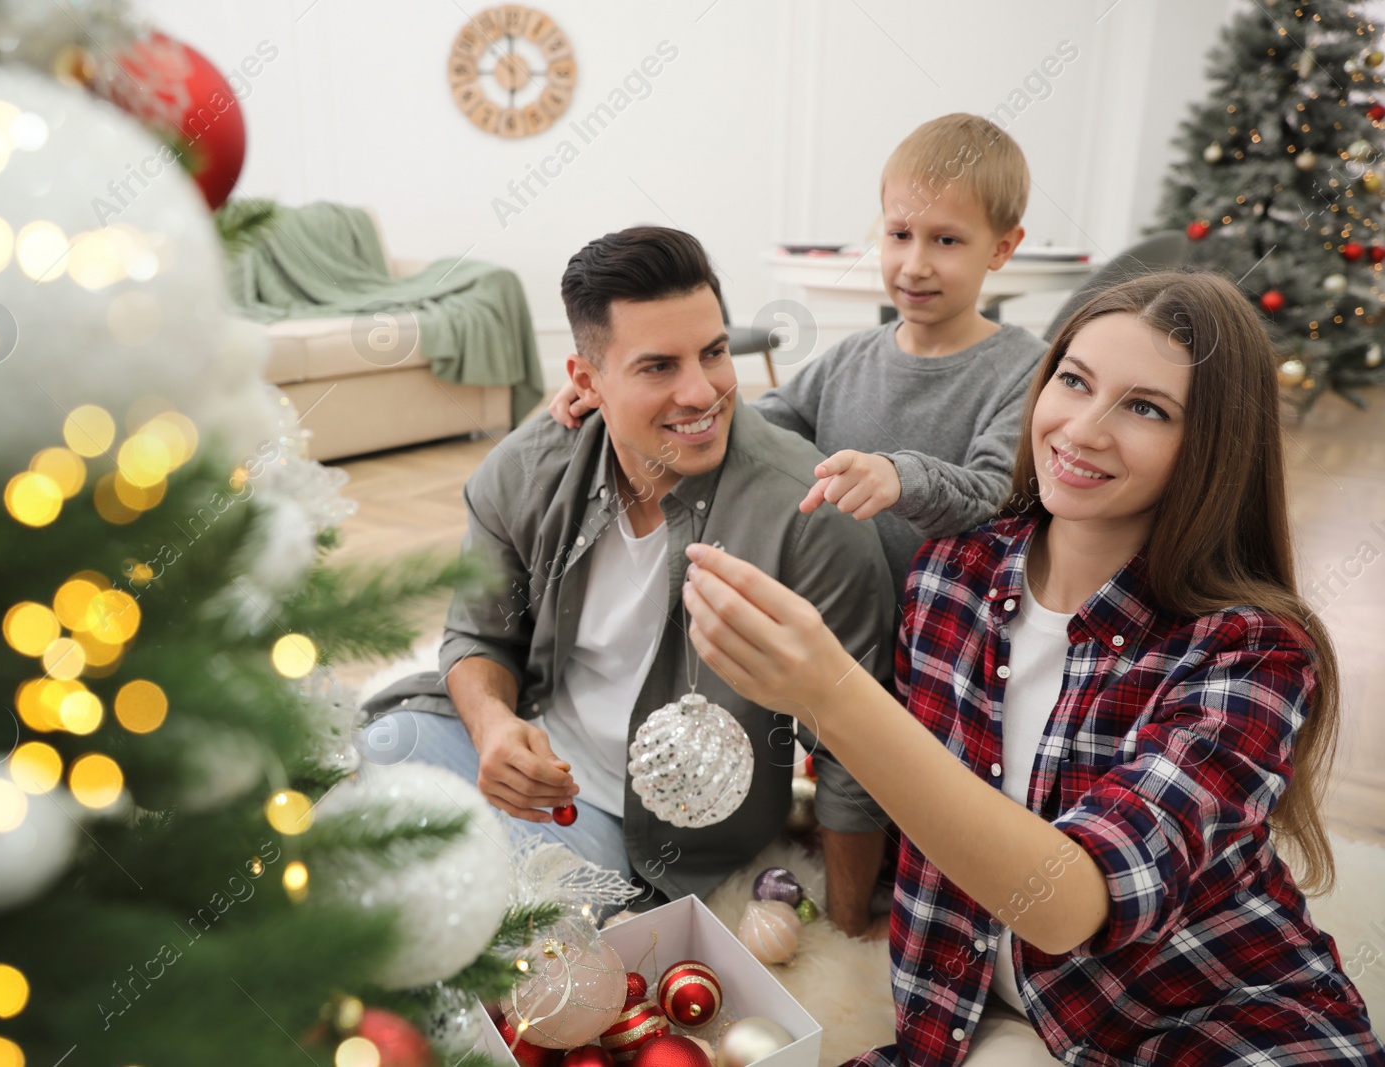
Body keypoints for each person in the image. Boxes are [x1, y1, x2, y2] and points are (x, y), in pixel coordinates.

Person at [679, 270, 1384, 1064]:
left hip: (1211, 1015)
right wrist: (603, 417)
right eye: (1073, 382)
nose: (1082, 429)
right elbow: (930, 810)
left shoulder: (1253, 652)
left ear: (1212, 449)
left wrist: (833, 693)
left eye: (1146, 408)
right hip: (973, 1015)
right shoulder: (949, 579)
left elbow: (1069, 902)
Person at [361, 227, 895, 920]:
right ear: (586, 381)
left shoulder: (809, 513)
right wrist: (493, 726)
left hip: (648, 830)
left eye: (714, 351)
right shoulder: (523, 471)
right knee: (344, 787)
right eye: (657, 367)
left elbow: (855, 746)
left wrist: (850, 929)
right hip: (521, 740)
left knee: (481, 913)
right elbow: (477, 635)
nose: (702, 391)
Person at [549, 113, 1047, 604]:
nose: (915, 266)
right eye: (900, 235)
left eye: (946, 241)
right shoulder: (850, 358)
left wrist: (901, 479)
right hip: (837, 618)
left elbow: (1000, 501)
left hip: (944, 648)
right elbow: (756, 425)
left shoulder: (1027, 371)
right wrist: (614, 392)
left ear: (1002, 247)